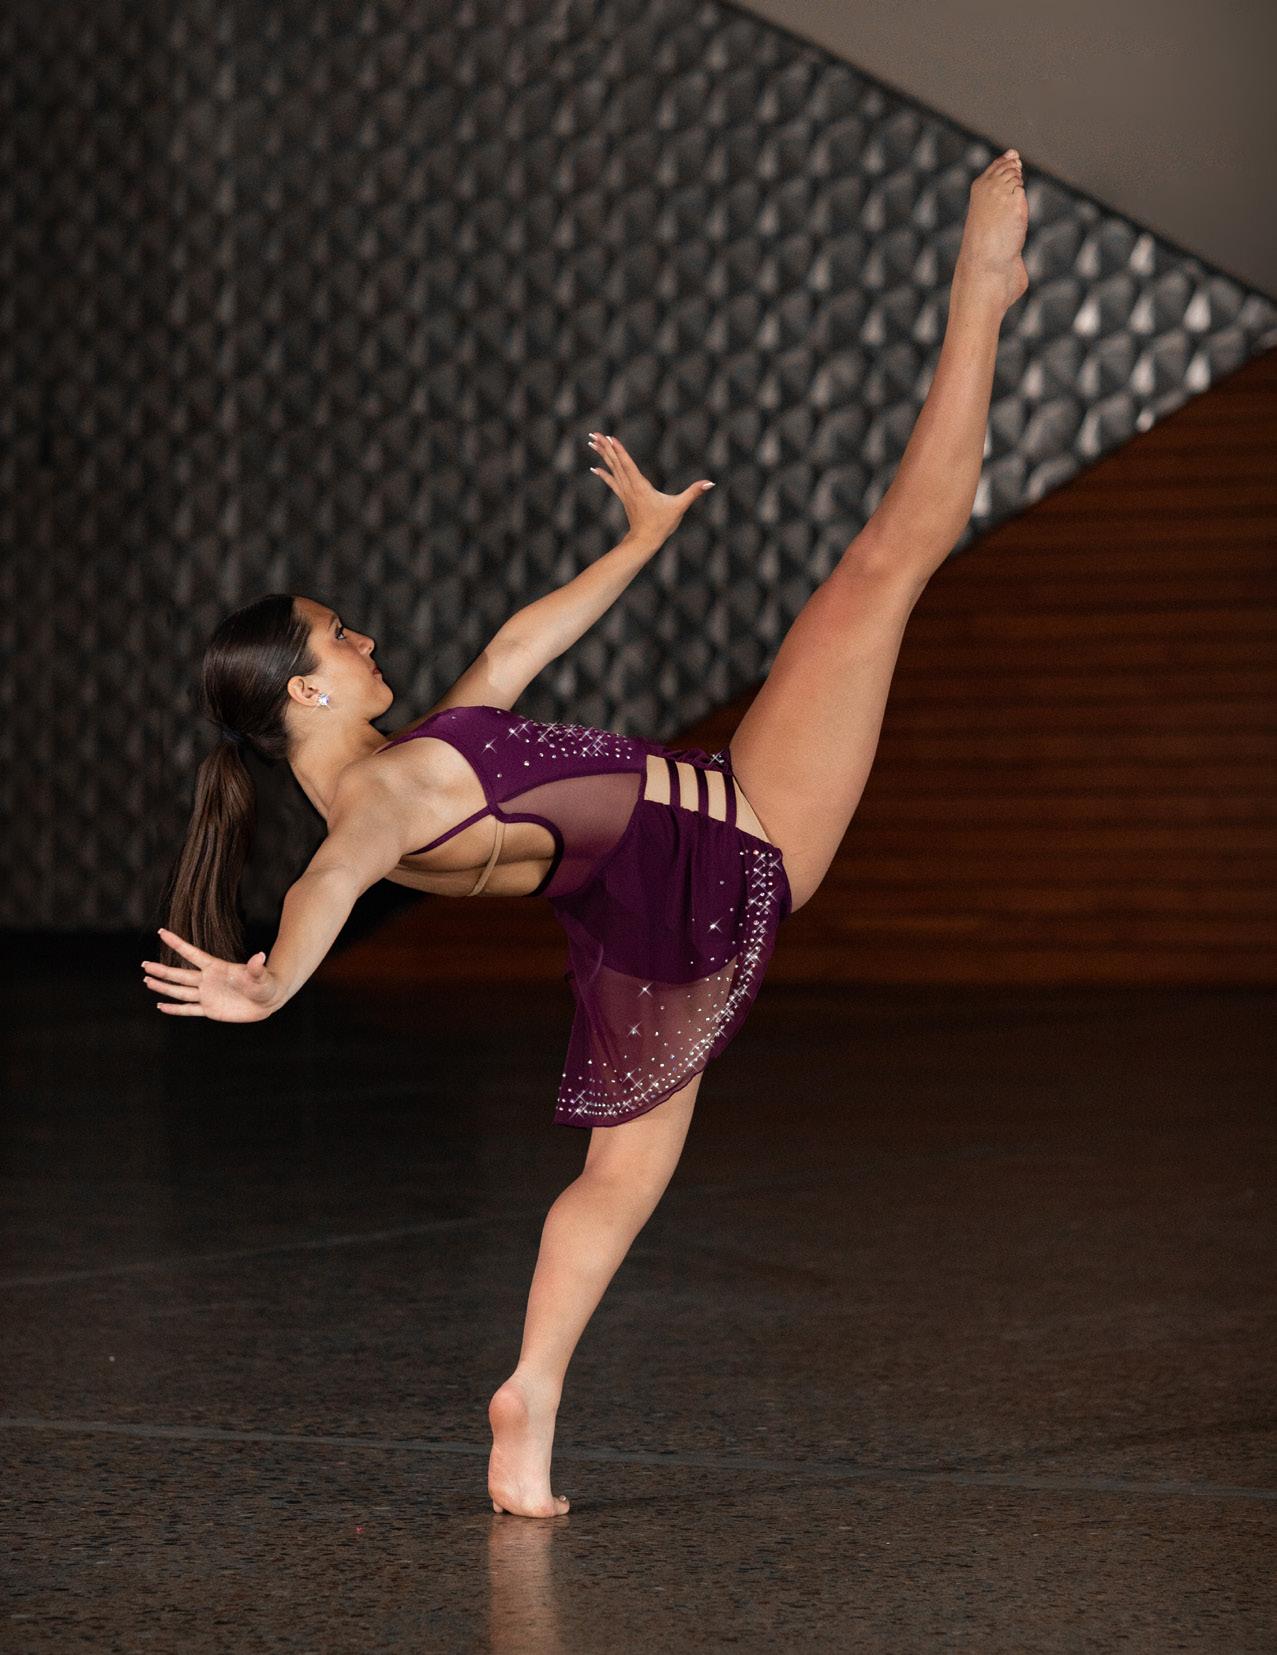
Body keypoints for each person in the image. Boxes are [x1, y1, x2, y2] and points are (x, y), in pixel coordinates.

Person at [142, 149, 1028, 1517]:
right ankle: (978, 293)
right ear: (303, 689)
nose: (365, 639)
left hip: (650, 915)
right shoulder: (379, 799)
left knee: (620, 1175)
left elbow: (511, 652)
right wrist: (272, 984)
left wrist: (639, 541)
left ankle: (532, 1398)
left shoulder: (397, 764)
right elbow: (329, 883)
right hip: (735, 831)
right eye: (340, 634)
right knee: (884, 562)